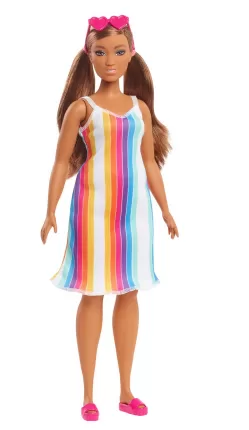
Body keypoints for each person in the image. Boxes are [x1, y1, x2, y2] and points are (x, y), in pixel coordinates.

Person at [40, 14, 179, 421]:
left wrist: (165, 209)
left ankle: (126, 390)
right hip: (91, 211)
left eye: (118, 52)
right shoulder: (81, 109)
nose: (110, 60)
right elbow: (60, 162)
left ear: (131, 54)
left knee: (129, 292)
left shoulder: (139, 109)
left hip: (134, 215)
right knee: (92, 294)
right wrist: (50, 210)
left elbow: (149, 163)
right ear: (89, 56)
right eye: (100, 53)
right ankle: (87, 394)